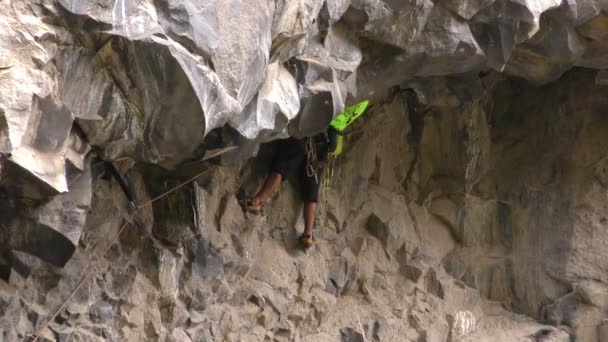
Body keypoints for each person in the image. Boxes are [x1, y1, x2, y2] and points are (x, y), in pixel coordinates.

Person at [243, 128, 338, 250]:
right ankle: (308, 235)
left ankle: (257, 201)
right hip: (319, 146)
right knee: (311, 187)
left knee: (281, 168)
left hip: (301, 134)